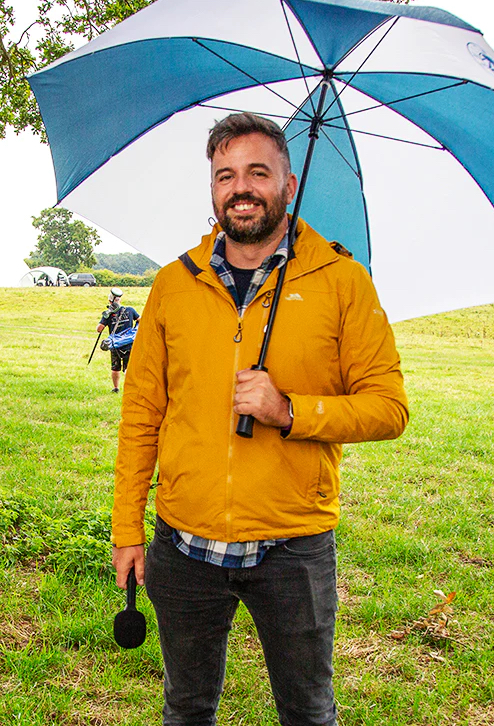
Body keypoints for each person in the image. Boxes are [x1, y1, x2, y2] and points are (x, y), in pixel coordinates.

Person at [111, 112, 409, 726]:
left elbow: (389, 407)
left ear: (289, 185)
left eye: (257, 172)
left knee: (307, 711)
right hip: (183, 543)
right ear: (213, 189)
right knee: (186, 707)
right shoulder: (173, 285)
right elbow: (142, 412)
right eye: (225, 175)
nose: (240, 188)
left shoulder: (343, 282)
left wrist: (289, 410)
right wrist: (127, 530)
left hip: (293, 548)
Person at [97, 288, 140, 393]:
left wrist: (105, 317)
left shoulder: (108, 314)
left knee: (115, 368)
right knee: (128, 367)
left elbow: (99, 329)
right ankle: (130, 388)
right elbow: (141, 321)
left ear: (110, 301)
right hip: (129, 344)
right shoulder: (130, 310)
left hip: (115, 345)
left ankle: (116, 388)